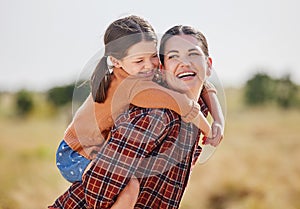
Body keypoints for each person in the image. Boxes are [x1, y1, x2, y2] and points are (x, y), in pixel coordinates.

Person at [49, 15, 223, 208]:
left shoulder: (143, 74)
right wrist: (208, 129)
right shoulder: (141, 96)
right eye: (140, 60)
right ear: (116, 61)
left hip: (89, 146)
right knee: (129, 187)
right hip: (74, 152)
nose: (148, 65)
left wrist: (218, 119)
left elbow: (203, 87)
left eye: (153, 57)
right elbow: (182, 104)